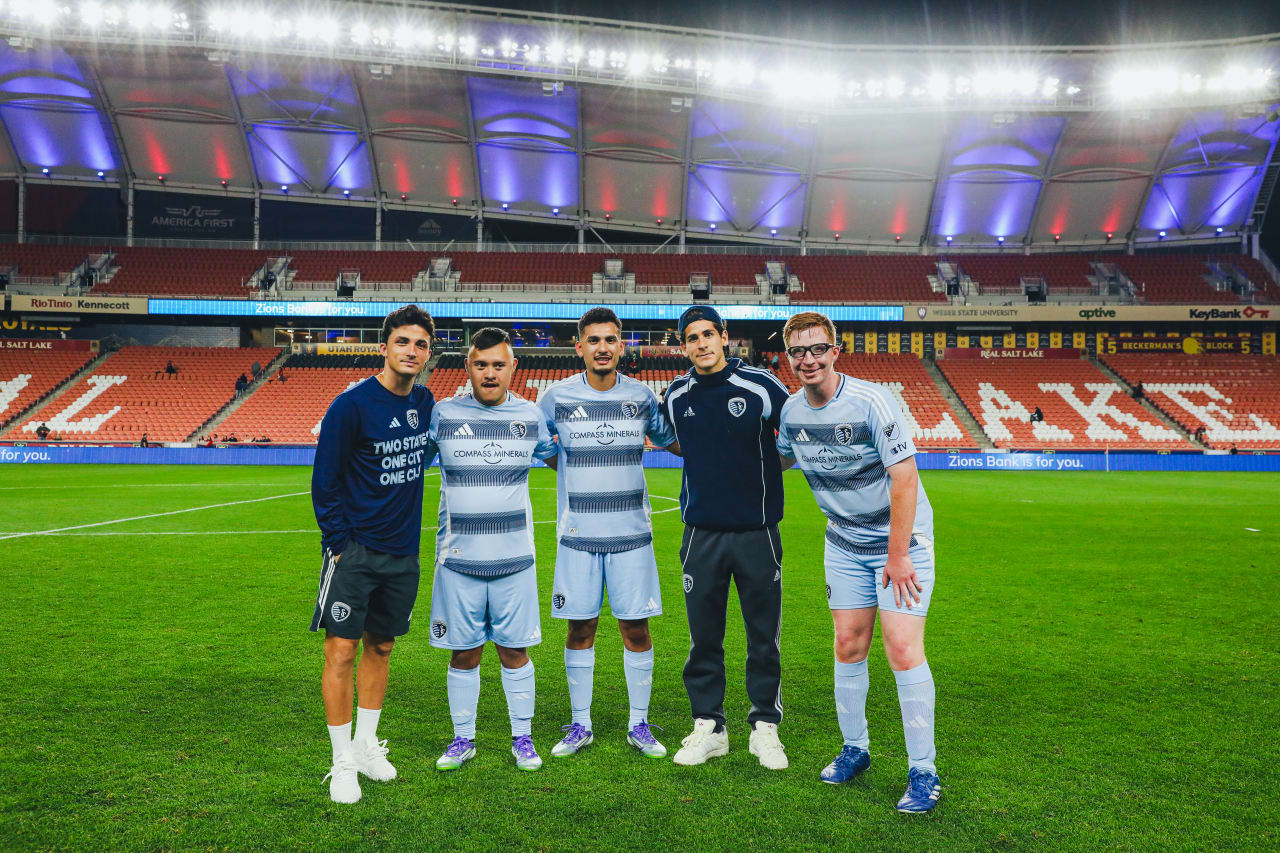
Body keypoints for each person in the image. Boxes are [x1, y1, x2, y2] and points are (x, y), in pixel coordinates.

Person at [775, 311, 941, 813]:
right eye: (798, 351)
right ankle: (856, 748)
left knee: (903, 649)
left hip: (900, 545)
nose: (808, 359)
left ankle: (924, 771)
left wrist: (898, 557)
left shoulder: (871, 400)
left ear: (835, 351)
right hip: (843, 544)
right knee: (848, 644)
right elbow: (778, 458)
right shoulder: (790, 412)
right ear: (789, 358)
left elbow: (905, 479)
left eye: (816, 349)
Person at [538, 307, 681, 761]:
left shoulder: (641, 395)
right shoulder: (555, 398)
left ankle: (639, 724)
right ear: (578, 347)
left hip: (632, 536)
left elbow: (674, 440)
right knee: (580, 627)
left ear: (622, 346)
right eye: (594, 340)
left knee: (635, 629)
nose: (603, 348)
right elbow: (545, 449)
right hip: (578, 536)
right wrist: (580, 475)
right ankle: (581, 725)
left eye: (611, 340)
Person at [310, 304, 436, 804]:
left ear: (429, 353)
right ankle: (341, 763)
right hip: (356, 551)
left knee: (381, 647)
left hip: (403, 553)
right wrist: (340, 544)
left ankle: (366, 745)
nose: (411, 351)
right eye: (403, 342)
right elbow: (324, 481)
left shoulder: (425, 403)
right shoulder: (351, 405)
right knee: (341, 650)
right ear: (384, 347)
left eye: (421, 344)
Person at [662, 305, 791, 770]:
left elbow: (793, 438)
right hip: (701, 535)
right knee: (704, 638)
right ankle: (709, 726)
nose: (701, 344)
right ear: (683, 346)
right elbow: (677, 440)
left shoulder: (761, 385)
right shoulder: (676, 393)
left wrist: (759, 473)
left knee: (763, 637)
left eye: (708, 335)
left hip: (757, 533)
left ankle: (764, 727)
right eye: (691, 338)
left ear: (724, 336)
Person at [428, 327, 559, 773]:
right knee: (463, 652)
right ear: (468, 367)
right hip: (458, 560)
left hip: (515, 561)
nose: (489, 373)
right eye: (480, 364)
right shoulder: (442, 414)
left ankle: (522, 737)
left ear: (512, 368)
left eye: (498, 365)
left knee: (514, 651)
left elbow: (561, 459)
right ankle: (462, 739)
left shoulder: (532, 415)